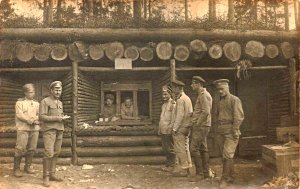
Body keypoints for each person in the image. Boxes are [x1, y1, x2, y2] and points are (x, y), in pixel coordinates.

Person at [213, 79, 244, 188]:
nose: (220, 91)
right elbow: (217, 116)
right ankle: (231, 176)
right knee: (226, 156)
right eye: (218, 90)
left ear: (227, 88)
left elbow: (239, 117)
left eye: (222, 89)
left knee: (227, 155)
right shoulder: (219, 102)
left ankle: (224, 179)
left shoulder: (235, 100)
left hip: (231, 131)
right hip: (221, 130)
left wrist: (235, 129)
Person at [39, 81, 70, 187]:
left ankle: (52, 174)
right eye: (56, 89)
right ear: (51, 90)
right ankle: (45, 176)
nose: (58, 92)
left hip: (59, 130)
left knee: (56, 152)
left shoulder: (60, 103)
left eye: (60, 90)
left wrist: (63, 119)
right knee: (49, 153)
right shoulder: (45, 101)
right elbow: (42, 117)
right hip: (49, 130)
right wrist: (58, 118)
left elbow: (60, 116)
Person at [13, 83, 40, 177]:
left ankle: (27, 166)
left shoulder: (37, 103)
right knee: (20, 148)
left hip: (34, 129)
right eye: (30, 92)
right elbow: (19, 115)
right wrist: (28, 120)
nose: (32, 94)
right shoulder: (20, 103)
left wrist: (34, 120)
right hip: (23, 128)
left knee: (32, 148)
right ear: (25, 93)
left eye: (33, 92)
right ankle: (16, 169)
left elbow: (39, 114)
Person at [189, 76, 212, 181]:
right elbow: (201, 111)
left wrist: (197, 124)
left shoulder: (203, 95)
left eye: (193, 83)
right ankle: (206, 173)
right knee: (203, 149)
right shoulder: (201, 95)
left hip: (201, 126)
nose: (191, 85)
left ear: (198, 84)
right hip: (202, 125)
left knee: (193, 148)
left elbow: (206, 112)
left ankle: (200, 174)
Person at [171, 80, 193, 177]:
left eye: (175, 88)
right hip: (187, 127)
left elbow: (180, 115)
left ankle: (184, 169)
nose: (173, 90)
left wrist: (174, 128)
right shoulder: (187, 98)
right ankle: (188, 168)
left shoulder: (180, 100)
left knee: (180, 149)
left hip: (181, 127)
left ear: (179, 89)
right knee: (185, 148)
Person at [158, 85, 176, 170]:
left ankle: (172, 165)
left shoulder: (173, 104)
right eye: (163, 94)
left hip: (169, 129)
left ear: (170, 94)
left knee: (170, 148)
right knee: (165, 148)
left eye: (166, 94)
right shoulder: (163, 105)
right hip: (163, 129)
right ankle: (168, 164)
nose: (164, 96)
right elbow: (162, 118)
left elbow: (173, 118)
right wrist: (159, 128)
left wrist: (170, 128)